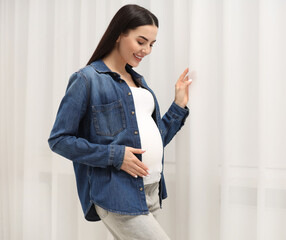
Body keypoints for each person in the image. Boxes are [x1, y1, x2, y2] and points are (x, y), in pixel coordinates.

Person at [48, 4, 192, 239]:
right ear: (119, 34)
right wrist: (115, 156)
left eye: (151, 45)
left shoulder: (139, 82)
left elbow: (156, 138)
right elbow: (59, 140)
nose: (146, 50)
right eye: (141, 41)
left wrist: (178, 106)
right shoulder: (87, 80)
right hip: (119, 193)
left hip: (152, 189)